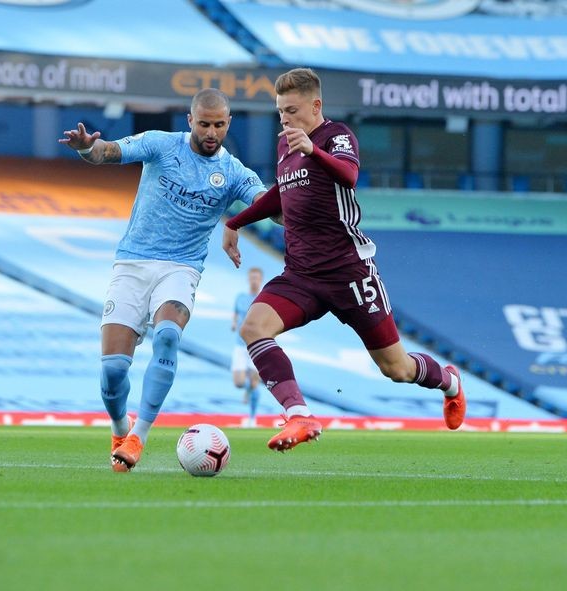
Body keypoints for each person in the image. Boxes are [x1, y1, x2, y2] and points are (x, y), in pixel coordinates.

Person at [221, 67, 466, 452]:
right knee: (253, 328)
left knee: (396, 368)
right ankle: (298, 415)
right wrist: (236, 222)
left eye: (292, 110)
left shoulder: (336, 137)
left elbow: (349, 176)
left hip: (349, 272)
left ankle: (449, 381)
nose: (284, 119)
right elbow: (280, 196)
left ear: (315, 105)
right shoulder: (285, 145)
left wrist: (312, 150)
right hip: (301, 274)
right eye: (280, 111)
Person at [59, 89, 266, 471]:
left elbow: (269, 204)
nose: (211, 132)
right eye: (204, 124)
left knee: (168, 336)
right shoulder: (160, 145)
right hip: (132, 264)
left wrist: (290, 201)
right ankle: (120, 429)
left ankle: (139, 436)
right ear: (190, 120)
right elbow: (108, 152)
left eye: (219, 125)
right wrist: (88, 148)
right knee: (113, 372)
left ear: (228, 124)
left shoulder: (235, 173)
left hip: (181, 268)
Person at [232, 267, 264, 427]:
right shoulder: (241, 297)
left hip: (256, 345)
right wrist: (233, 323)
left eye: (257, 278)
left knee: (253, 381)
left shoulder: (264, 298)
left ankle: (252, 418)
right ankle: (248, 390)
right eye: (252, 277)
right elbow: (236, 314)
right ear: (248, 279)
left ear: (261, 279)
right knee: (238, 382)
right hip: (240, 344)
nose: (254, 280)